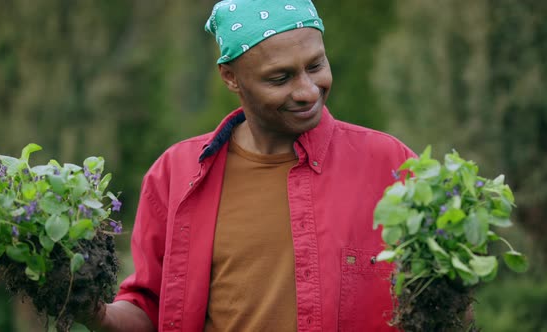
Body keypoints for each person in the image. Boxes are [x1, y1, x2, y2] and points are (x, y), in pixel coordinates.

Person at [82, 0, 415, 331]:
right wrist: (87, 307)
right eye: (280, 78)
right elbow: (147, 309)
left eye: (315, 66)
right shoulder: (176, 173)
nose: (307, 91)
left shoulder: (390, 164)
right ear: (231, 77)